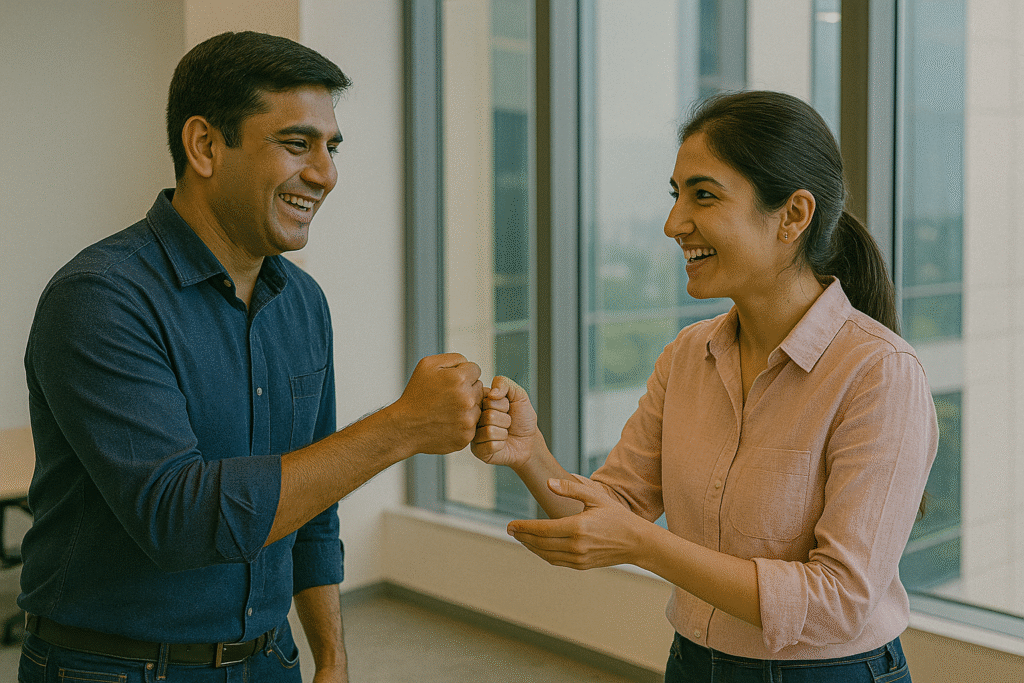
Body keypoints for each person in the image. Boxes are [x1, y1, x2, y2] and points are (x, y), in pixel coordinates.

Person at [19, 31, 482, 683]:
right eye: (297, 143)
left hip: (270, 659)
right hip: (115, 668)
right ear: (205, 145)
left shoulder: (303, 302)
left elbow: (316, 501)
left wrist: (334, 658)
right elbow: (178, 518)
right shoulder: (100, 298)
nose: (325, 172)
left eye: (331, 147)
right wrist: (402, 426)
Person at [473, 90, 938, 682]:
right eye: (676, 194)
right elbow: (610, 513)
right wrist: (529, 452)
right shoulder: (689, 355)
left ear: (793, 215)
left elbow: (839, 603)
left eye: (704, 195)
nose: (673, 224)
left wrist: (643, 545)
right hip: (694, 662)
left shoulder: (879, 372)